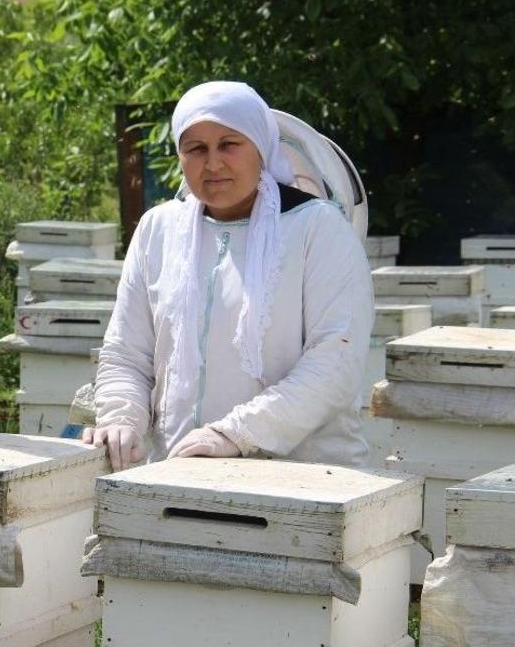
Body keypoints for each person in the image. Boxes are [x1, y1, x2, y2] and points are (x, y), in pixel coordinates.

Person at [83, 81, 372, 470]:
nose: (213, 163)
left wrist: (236, 434)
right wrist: (121, 418)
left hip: (304, 479)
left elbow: (335, 361)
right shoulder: (158, 230)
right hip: (177, 474)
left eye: (229, 144)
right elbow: (127, 353)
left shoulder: (317, 229)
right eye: (196, 148)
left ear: (261, 148)